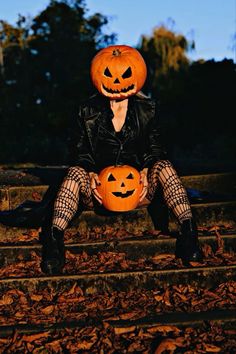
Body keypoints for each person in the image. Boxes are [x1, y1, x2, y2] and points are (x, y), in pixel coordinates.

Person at [38, 45, 203, 274]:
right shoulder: (85, 111)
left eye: (125, 74)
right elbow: (79, 152)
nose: (117, 81)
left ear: (137, 74)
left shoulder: (149, 109)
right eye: (109, 75)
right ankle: (53, 241)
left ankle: (189, 233)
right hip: (99, 190)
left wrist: (147, 168)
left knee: (164, 167)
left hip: (139, 188)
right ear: (97, 75)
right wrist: (90, 172)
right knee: (74, 174)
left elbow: (157, 149)